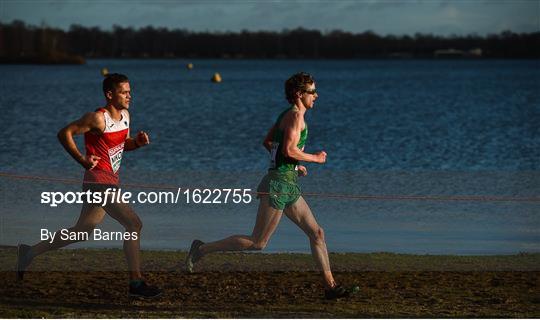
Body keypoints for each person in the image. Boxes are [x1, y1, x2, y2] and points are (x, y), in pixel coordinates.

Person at [186, 72, 350, 299]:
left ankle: (330, 287)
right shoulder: (294, 117)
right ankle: (201, 249)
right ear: (299, 94)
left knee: (317, 233)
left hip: (287, 182)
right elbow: (288, 150)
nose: (316, 96)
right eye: (312, 92)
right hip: (278, 186)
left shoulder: (288, 115)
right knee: (258, 242)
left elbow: (269, 143)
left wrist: (293, 166)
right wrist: (315, 159)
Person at [16, 73, 162, 298]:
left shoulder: (125, 116)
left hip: (109, 183)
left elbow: (121, 145)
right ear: (110, 94)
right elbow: (64, 133)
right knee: (134, 225)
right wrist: (81, 160)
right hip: (98, 184)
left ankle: (29, 252)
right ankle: (136, 282)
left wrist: (137, 144)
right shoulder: (97, 118)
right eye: (124, 92)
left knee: (82, 231)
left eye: (130, 92)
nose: (129, 96)